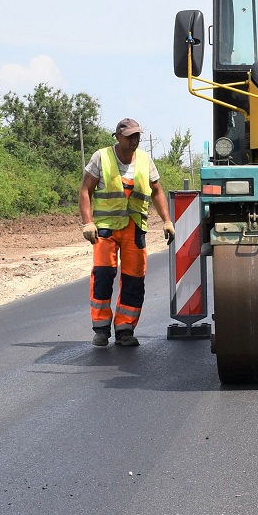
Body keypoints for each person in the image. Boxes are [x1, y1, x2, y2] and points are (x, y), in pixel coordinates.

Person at [79, 118, 175, 348]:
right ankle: (101, 329)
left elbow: (157, 191)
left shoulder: (145, 159)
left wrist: (167, 220)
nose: (135, 140)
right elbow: (85, 190)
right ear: (118, 137)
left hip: (134, 228)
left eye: (137, 136)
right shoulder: (101, 157)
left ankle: (125, 329)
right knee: (103, 276)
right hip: (106, 229)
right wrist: (87, 222)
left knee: (134, 280)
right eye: (131, 136)